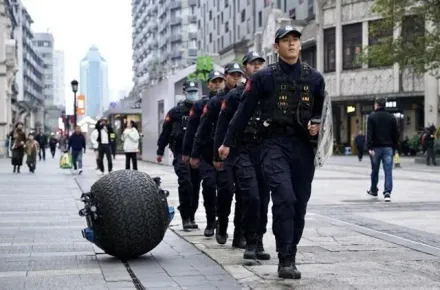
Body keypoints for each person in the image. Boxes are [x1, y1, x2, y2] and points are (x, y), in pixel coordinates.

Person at [218, 26, 325, 279]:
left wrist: (317, 123)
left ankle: (292, 252)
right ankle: (285, 259)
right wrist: (226, 143)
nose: (292, 44)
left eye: (295, 40)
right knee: (284, 198)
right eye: (285, 40)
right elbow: (242, 113)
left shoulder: (315, 78)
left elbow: (323, 112)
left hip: (302, 148)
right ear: (276, 47)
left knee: (299, 204)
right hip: (272, 144)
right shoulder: (263, 78)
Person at [214, 51, 270, 260]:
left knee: (264, 199)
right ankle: (248, 239)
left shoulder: (269, 92)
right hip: (241, 151)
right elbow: (223, 126)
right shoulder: (235, 95)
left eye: (260, 63)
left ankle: (259, 241)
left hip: (265, 152)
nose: (256, 67)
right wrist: (220, 152)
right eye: (252, 64)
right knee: (250, 196)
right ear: (246, 68)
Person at [192, 62, 246, 249]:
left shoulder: (247, 96)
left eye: (239, 75)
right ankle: (221, 223)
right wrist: (200, 154)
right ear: (226, 78)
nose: (237, 78)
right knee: (226, 191)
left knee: (244, 193)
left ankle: (240, 234)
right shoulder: (215, 102)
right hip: (223, 154)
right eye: (233, 75)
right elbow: (204, 128)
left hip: (243, 151)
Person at [182, 71, 225, 237]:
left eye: (220, 81)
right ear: (209, 84)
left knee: (225, 188)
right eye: (214, 82)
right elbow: (192, 130)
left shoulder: (231, 99)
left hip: (224, 153)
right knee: (208, 185)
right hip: (206, 154)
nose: (218, 84)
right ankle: (210, 221)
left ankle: (222, 219)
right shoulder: (200, 105)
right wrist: (189, 153)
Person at [156, 80, 201, 231]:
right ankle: (185, 218)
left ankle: (192, 214)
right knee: (185, 182)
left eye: (195, 91)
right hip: (180, 153)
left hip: (197, 153)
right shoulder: (175, 112)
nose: (193, 94)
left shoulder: (202, 109)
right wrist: (160, 151)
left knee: (195, 185)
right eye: (190, 91)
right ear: (184, 93)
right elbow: (166, 132)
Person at [367, 97, 399, 202]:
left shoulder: (372, 117)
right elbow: (396, 134)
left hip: (376, 148)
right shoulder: (391, 117)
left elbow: (370, 134)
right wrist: (394, 147)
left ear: (376, 104)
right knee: (388, 171)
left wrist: (369, 147)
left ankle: (373, 190)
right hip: (388, 148)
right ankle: (387, 193)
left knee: (375, 170)